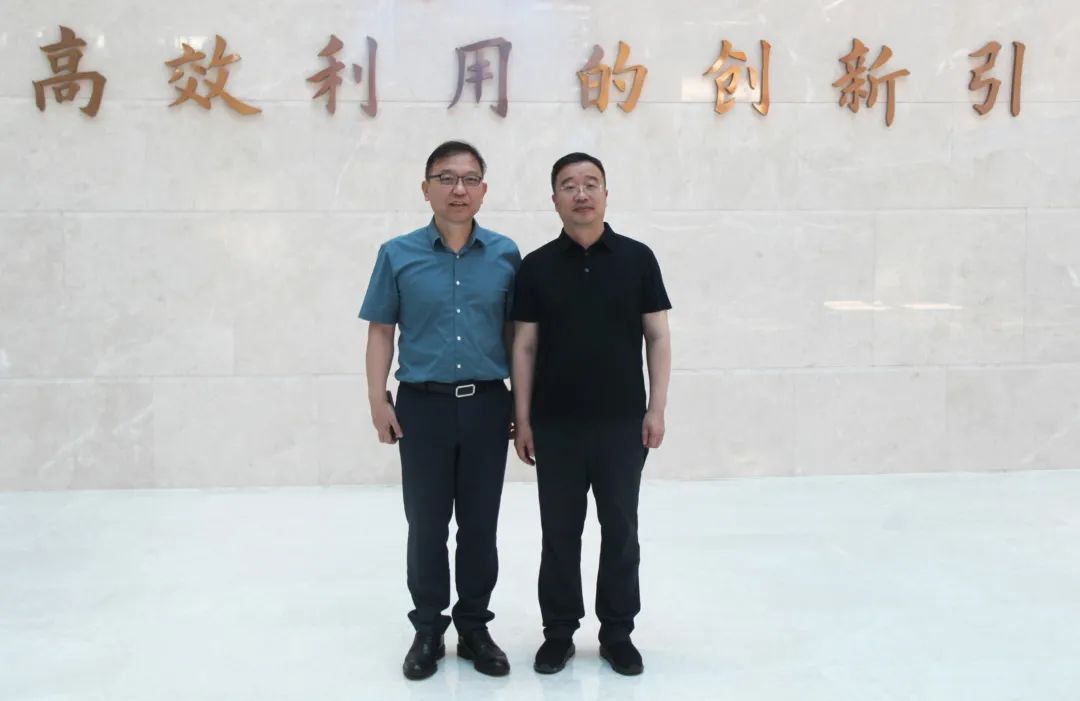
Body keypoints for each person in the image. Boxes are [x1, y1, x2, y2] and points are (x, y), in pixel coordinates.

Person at [359, 140, 521, 680]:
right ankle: (428, 629)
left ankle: (474, 627)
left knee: (479, 524)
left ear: (483, 190)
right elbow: (381, 331)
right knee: (426, 525)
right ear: (425, 188)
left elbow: (517, 337)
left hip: (487, 405)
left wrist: (522, 405)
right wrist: (377, 399)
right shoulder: (397, 254)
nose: (458, 189)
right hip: (421, 408)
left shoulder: (505, 255)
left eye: (470, 179)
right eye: (446, 178)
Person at [511, 152, 672, 676]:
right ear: (553, 198)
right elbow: (524, 346)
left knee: (620, 531)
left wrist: (656, 408)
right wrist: (523, 419)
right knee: (559, 533)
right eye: (568, 185)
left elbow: (658, 337)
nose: (581, 194)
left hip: (622, 423)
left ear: (606, 193)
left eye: (590, 183)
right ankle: (558, 633)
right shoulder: (536, 266)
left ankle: (617, 633)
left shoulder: (637, 258)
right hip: (555, 425)